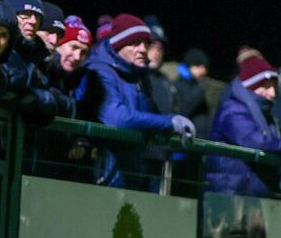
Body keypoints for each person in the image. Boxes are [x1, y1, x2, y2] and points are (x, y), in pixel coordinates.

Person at [79, 13, 195, 187]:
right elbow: (116, 118)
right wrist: (170, 123)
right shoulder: (99, 71)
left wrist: (175, 127)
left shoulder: (139, 76)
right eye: (135, 43)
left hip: (132, 174)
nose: (142, 49)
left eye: (146, 43)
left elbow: (150, 113)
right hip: (102, 177)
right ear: (119, 44)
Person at [206, 55, 281, 197]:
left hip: (250, 192)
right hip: (229, 192)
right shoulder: (232, 110)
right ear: (251, 85)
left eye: (274, 87)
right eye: (266, 86)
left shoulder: (265, 115)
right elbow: (257, 141)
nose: (272, 93)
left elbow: (273, 139)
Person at [3, 0, 48, 69]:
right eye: (25, 14)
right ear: (8, 17)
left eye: (38, 16)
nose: (33, 21)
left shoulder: (40, 59)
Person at [174, 48, 212, 136]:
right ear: (191, 65)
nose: (204, 71)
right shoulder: (177, 85)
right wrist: (200, 90)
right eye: (200, 67)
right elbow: (182, 110)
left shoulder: (196, 85)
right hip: (186, 141)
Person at [144, 14, 176, 114]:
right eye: (152, 46)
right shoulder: (133, 78)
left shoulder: (166, 81)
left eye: (160, 48)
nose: (157, 52)